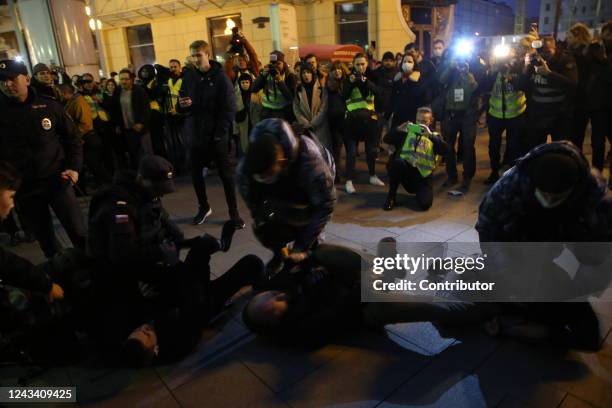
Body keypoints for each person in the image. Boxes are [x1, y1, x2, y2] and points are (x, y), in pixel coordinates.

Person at [471, 141, 611, 351]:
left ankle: (528, 319)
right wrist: (505, 271)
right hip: (518, 239)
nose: (549, 200)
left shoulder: (594, 193)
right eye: (544, 194)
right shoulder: (512, 182)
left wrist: (580, 286)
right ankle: (507, 314)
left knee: (588, 339)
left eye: (556, 197)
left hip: (563, 237)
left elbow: (600, 254)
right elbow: (488, 227)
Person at [0, 59, 86, 258]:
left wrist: (74, 168)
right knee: (46, 241)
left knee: (79, 233)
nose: (7, 84)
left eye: (12, 79)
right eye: (2, 81)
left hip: (58, 180)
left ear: (27, 79)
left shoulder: (49, 106)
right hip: (25, 188)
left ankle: (92, 274)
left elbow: (73, 138)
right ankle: (62, 280)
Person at [237, 118, 336, 276]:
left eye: (269, 174)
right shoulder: (245, 169)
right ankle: (281, 257)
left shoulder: (309, 159)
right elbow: (256, 209)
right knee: (267, 226)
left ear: (281, 161)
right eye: (261, 177)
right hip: (286, 182)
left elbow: (324, 205)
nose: (265, 179)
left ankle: (310, 259)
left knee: (307, 226)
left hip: (314, 179)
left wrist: (301, 247)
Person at [179, 40, 244, 229]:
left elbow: (229, 109)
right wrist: (181, 106)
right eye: (193, 55)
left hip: (216, 137)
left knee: (226, 176)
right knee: (196, 174)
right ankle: (203, 206)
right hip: (195, 135)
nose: (195, 59)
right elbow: (182, 102)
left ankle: (234, 212)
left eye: (199, 55)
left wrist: (219, 136)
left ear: (208, 55)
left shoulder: (221, 78)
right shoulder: (189, 76)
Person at [243, 243, 363, 340]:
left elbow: (299, 269)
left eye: (273, 294)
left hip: (346, 279)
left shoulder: (289, 296)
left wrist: (306, 258)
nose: (280, 294)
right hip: (362, 301)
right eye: (277, 300)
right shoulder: (304, 326)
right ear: (275, 321)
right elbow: (344, 309)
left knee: (321, 251)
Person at [382, 107, 449, 211]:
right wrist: (398, 129)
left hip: (423, 178)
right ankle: (391, 197)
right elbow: (387, 139)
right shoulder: (408, 132)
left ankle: (420, 193)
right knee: (396, 162)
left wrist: (430, 136)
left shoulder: (434, 136)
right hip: (407, 173)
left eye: (424, 121)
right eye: (418, 120)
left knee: (425, 205)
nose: (420, 124)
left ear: (431, 121)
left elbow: (446, 150)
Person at [521, 36, 577, 153]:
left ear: (555, 48)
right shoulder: (534, 60)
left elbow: (571, 84)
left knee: (560, 151)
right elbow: (523, 85)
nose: (544, 54)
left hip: (558, 115)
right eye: (541, 51)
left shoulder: (564, 60)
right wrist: (525, 68)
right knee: (536, 150)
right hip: (537, 114)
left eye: (548, 51)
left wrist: (548, 74)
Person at [479, 45, 527, 185]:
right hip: (495, 114)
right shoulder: (494, 70)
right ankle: (494, 172)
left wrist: (511, 75)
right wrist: (491, 70)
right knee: (494, 146)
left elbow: (524, 85)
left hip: (516, 114)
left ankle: (511, 176)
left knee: (513, 147)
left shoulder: (519, 67)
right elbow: (483, 87)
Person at [342, 53, 385, 194]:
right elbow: (344, 96)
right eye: (357, 64)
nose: (360, 67)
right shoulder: (349, 78)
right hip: (352, 121)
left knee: (371, 151)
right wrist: (352, 82)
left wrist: (366, 81)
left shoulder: (372, 77)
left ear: (367, 64)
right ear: (353, 65)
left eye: (362, 64)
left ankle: (372, 175)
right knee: (352, 152)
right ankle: (349, 181)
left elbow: (379, 92)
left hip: (369, 120)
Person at [438, 55, 479, 193]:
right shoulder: (450, 65)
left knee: (468, 146)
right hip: (451, 113)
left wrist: (466, 72)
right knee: (448, 146)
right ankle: (452, 176)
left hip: (468, 114)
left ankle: (467, 177)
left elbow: (474, 87)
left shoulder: (474, 64)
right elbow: (441, 80)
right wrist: (451, 66)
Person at [59, 83, 112, 187]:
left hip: (87, 138)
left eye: (59, 92)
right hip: (84, 137)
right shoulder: (72, 101)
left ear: (64, 92)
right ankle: (103, 184)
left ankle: (107, 184)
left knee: (94, 164)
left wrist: (76, 136)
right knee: (93, 164)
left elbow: (86, 123)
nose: (58, 95)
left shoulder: (78, 101)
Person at [111, 68, 153, 169]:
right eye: (121, 79)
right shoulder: (118, 91)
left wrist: (141, 123)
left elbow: (146, 109)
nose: (123, 81)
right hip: (127, 129)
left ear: (131, 80)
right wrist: (117, 125)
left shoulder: (139, 91)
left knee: (145, 154)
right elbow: (115, 109)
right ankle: (139, 176)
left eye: (126, 79)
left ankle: (150, 175)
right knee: (134, 155)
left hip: (140, 129)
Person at [566, 23, 593, 152]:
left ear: (578, 36)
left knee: (577, 135)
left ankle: (576, 162)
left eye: (570, 36)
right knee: (569, 134)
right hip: (571, 98)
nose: (567, 38)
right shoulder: (570, 51)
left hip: (582, 99)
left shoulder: (588, 52)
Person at [293, 62, 331, 150]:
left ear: (312, 74)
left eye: (308, 72)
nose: (306, 75)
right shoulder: (298, 89)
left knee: (323, 152)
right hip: (306, 127)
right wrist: (305, 123)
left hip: (320, 126)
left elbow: (324, 107)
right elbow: (296, 108)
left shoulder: (321, 86)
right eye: (303, 73)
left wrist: (314, 123)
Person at [252, 51, 297, 122]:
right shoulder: (266, 74)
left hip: (283, 112)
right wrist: (262, 75)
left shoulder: (289, 76)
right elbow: (253, 89)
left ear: (283, 63)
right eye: (272, 63)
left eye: (278, 63)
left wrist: (280, 81)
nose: (275, 66)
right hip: (267, 111)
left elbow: (290, 97)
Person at [387, 53, 427, 128]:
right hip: (397, 118)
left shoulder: (419, 80)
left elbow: (423, 100)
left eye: (409, 62)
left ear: (414, 64)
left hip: (413, 119)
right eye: (404, 61)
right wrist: (387, 116)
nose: (406, 64)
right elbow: (392, 99)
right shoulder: (397, 79)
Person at [326, 61, 348, 174]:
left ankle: (349, 171)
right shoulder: (328, 84)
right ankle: (337, 172)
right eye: (334, 69)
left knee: (350, 147)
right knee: (337, 148)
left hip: (347, 120)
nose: (337, 71)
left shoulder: (347, 83)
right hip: (334, 120)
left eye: (339, 69)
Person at [235, 73, 262, 155]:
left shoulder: (255, 94)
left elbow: (259, 110)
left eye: (247, 82)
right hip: (242, 124)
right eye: (243, 82)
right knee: (243, 147)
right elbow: (234, 113)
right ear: (239, 83)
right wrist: (235, 129)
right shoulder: (236, 95)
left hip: (254, 122)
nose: (245, 85)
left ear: (250, 83)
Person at [373, 51, 398, 126]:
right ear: (382, 61)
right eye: (386, 60)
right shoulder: (376, 73)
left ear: (394, 62)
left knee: (391, 131)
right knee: (378, 131)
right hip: (379, 108)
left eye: (391, 61)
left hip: (393, 109)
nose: (388, 63)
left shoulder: (398, 73)